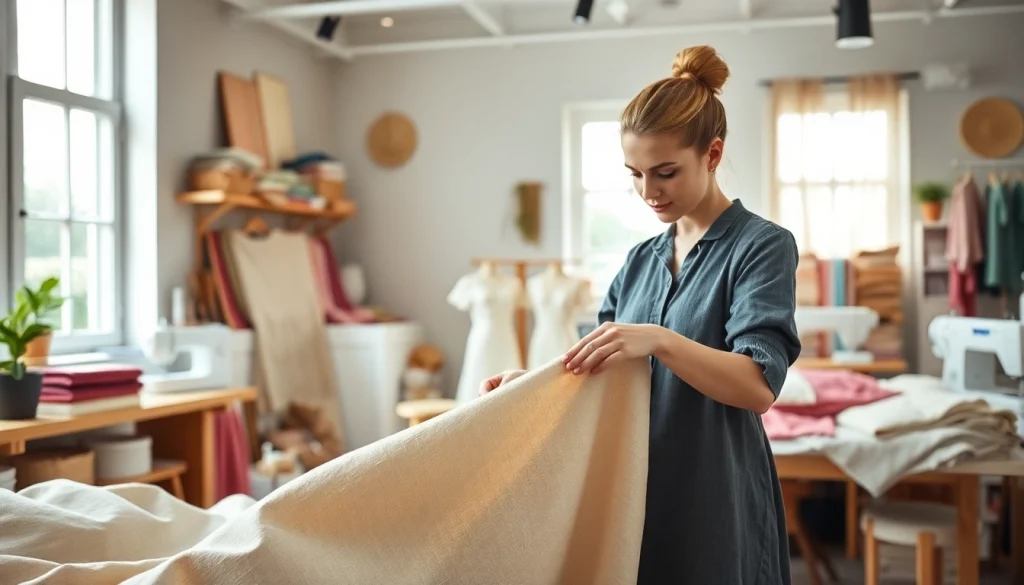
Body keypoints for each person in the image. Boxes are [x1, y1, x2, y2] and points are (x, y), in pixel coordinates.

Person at [479, 45, 801, 584]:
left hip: (716, 498)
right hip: (635, 495)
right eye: (635, 174)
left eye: (665, 172)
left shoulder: (761, 246)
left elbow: (757, 386)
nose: (648, 192)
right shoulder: (639, 261)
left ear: (713, 154)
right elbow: (598, 376)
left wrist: (659, 339)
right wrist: (532, 385)